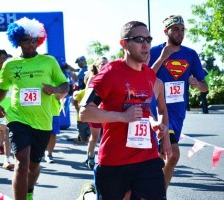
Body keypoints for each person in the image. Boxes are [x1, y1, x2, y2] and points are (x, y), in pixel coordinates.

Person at [80, 21, 171, 200]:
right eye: (139, 39)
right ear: (124, 43)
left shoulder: (150, 75)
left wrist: (155, 123)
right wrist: (122, 117)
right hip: (115, 161)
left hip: (147, 157)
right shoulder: (109, 73)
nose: (146, 44)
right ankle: (88, 195)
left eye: (148, 39)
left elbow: (144, 111)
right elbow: (85, 112)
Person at [0, 17, 69, 200]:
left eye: (34, 39)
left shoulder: (49, 61)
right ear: (18, 41)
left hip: (42, 120)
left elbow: (65, 85)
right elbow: (3, 88)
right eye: (26, 40)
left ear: (39, 40)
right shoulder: (10, 65)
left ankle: (29, 191)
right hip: (18, 117)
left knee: (34, 165)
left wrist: (56, 90)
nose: (30, 44)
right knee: (21, 161)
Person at [148, 15, 208, 190]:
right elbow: (144, 77)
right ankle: (158, 193)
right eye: (175, 29)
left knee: (165, 156)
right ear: (166, 31)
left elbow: (205, 87)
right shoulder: (153, 52)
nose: (180, 33)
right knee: (172, 155)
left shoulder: (190, 54)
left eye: (182, 30)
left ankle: (156, 192)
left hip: (177, 113)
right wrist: (162, 58)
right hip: (157, 110)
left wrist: (198, 84)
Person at [83, 56, 108, 170]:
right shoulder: (93, 78)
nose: (105, 65)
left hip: (107, 112)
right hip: (95, 112)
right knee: (95, 137)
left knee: (107, 137)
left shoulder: (111, 77)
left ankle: (105, 159)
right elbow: (87, 96)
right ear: (97, 66)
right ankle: (91, 156)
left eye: (106, 63)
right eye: (102, 63)